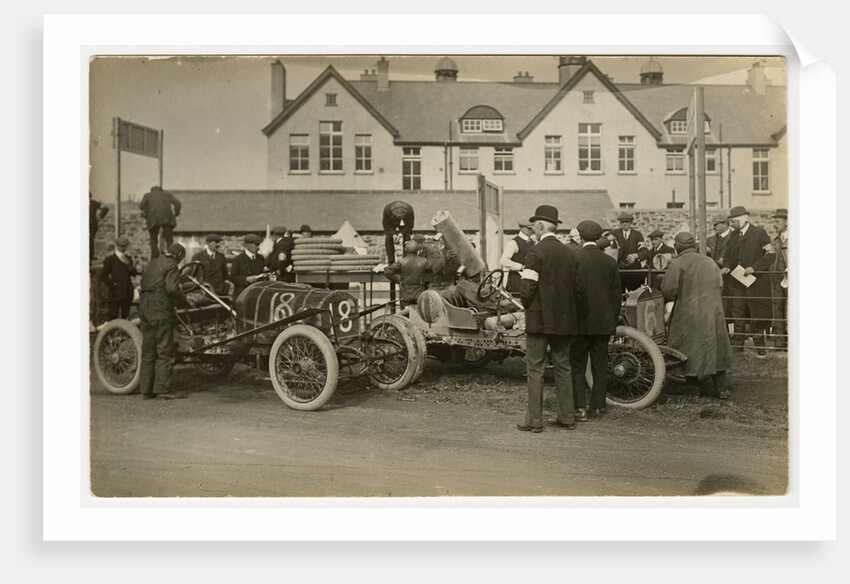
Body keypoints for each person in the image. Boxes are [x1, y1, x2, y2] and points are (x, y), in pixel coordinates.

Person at [517, 204, 578, 433]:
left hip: (539, 320)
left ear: (541, 226)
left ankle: (534, 421)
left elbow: (527, 288)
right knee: (564, 367)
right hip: (563, 321)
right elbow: (577, 288)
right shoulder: (570, 254)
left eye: (534, 226)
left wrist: (527, 307)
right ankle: (567, 417)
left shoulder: (535, 252)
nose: (533, 229)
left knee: (535, 369)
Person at [661, 232, 733, 399]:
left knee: (688, 348)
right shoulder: (710, 262)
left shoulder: (678, 263)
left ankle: (693, 391)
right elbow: (720, 285)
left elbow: (669, 290)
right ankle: (722, 388)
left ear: (676, 247)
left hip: (688, 314)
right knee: (715, 346)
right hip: (712, 313)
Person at [570, 220, 621, 421]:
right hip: (603, 323)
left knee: (577, 366)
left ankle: (580, 408)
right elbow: (616, 296)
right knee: (600, 365)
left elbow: (570, 293)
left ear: (580, 238)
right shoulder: (610, 262)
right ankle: (598, 406)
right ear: (598, 238)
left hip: (580, 323)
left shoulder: (574, 259)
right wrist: (612, 320)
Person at [138, 243, 189, 400]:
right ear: (179, 256)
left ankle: (146, 390)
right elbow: (172, 289)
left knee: (148, 351)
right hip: (160, 309)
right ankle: (162, 390)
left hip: (145, 308)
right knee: (164, 351)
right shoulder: (172, 265)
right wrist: (185, 300)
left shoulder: (152, 263)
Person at [725, 206, 775, 357]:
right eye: (731, 221)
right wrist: (727, 266)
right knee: (738, 313)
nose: (731, 224)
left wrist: (755, 267)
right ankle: (738, 348)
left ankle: (760, 347)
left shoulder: (759, 233)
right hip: (738, 283)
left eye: (733, 221)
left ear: (744, 218)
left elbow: (770, 255)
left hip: (756, 283)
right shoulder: (733, 236)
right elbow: (727, 255)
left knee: (757, 314)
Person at [98, 236, 139, 319]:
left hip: (127, 292)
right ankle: (113, 332)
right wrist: (113, 285)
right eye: (122, 246)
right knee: (113, 316)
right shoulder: (110, 260)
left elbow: (134, 273)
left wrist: (130, 266)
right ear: (117, 246)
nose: (123, 248)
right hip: (115, 293)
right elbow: (103, 276)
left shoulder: (128, 259)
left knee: (126, 317)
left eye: (125, 246)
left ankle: (123, 332)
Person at [383, 240, 431, 308]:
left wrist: (398, 281)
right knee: (420, 314)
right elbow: (432, 272)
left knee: (404, 315)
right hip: (420, 291)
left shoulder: (402, 261)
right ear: (418, 249)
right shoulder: (424, 261)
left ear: (405, 249)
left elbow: (387, 271)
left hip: (405, 292)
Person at [139, 185, 181, 259]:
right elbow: (178, 203)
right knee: (169, 240)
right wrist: (176, 213)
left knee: (154, 240)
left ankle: (154, 258)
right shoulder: (167, 194)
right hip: (168, 219)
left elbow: (141, 206)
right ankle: (170, 257)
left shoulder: (147, 195)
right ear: (161, 190)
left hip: (153, 219)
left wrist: (148, 208)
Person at [706, 215, 735, 321]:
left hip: (730, 277)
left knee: (731, 306)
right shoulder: (710, 240)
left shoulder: (734, 237)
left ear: (725, 224)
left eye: (716, 224)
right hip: (715, 277)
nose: (714, 227)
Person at [499, 219, 535, 294]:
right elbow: (503, 261)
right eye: (529, 228)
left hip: (528, 278)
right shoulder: (513, 243)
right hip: (516, 278)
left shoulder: (532, 242)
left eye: (532, 228)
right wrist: (521, 267)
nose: (531, 230)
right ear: (521, 228)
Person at [611, 212, 645, 292]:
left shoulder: (637, 235)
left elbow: (644, 251)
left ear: (631, 223)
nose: (625, 224)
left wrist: (636, 255)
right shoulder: (615, 234)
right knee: (619, 292)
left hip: (634, 269)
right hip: (619, 269)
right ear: (620, 223)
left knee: (634, 293)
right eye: (622, 222)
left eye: (627, 222)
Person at [770, 208, 788, 349]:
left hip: (791, 278)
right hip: (777, 279)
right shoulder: (776, 240)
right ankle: (779, 343)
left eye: (777, 221)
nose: (774, 224)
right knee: (778, 308)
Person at [229, 233, 267, 299]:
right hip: (243, 293)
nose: (258, 248)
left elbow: (263, 273)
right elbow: (232, 277)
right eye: (256, 245)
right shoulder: (238, 259)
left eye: (259, 245)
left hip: (258, 293)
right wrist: (246, 279)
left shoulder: (260, 258)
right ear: (247, 245)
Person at [89, 192, 109, 260]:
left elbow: (105, 209)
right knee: (90, 241)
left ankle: (90, 258)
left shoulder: (93, 203)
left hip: (91, 225)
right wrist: (99, 217)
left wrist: (99, 217)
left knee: (89, 241)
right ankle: (90, 257)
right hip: (92, 225)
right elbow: (105, 209)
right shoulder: (94, 203)